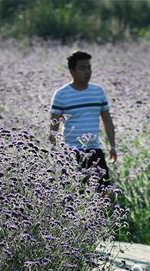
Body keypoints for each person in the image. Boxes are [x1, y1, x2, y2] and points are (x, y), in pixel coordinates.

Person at [49, 50, 117, 192]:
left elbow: (107, 120)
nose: (87, 72)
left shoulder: (98, 92)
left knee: (104, 192)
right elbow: (54, 126)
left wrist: (112, 146)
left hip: (95, 151)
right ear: (72, 71)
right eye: (83, 68)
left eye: (89, 67)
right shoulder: (61, 95)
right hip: (71, 152)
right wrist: (54, 151)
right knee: (74, 193)